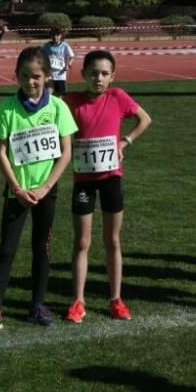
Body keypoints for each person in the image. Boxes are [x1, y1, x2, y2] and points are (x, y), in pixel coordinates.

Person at [0, 47, 77, 332]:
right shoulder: (7, 109)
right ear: (16, 76)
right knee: (7, 250)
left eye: (36, 76)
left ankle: (37, 306)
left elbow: (66, 153)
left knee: (41, 249)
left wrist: (45, 187)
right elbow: (1, 153)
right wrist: (18, 188)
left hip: (46, 193)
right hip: (16, 193)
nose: (30, 82)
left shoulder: (58, 108)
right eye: (24, 76)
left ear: (46, 77)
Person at [64, 50, 151, 323]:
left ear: (112, 76)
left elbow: (145, 119)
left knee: (112, 240)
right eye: (93, 73)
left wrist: (125, 141)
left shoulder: (118, 97)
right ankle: (78, 301)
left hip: (112, 178)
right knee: (82, 242)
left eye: (104, 74)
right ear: (83, 75)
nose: (98, 78)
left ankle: (116, 299)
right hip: (83, 181)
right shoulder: (71, 101)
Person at [43, 29, 75, 96]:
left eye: (57, 35)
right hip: (49, 73)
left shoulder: (65, 46)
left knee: (61, 94)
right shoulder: (47, 46)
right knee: (48, 93)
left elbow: (72, 56)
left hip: (60, 73)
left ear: (61, 36)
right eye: (53, 35)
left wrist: (68, 65)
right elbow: (41, 55)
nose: (55, 37)